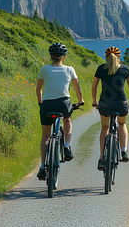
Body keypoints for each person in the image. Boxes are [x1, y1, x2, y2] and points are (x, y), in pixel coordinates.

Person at [36, 42, 84, 179]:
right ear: (64, 57)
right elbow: (77, 88)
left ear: (51, 56)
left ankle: (42, 166)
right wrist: (80, 101)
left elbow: (38, 89)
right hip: (63, 103)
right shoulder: (69, 69)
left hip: (47, 105)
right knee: (67, 119)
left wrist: (41, 102)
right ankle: (67, 146)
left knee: (45, 137)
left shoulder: (44, 69)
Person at [92, 46, 129, 171]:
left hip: (105, 104)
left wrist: (95, 101)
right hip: (121, 104)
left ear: (106, 57)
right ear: (119, 57)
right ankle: (124, 151)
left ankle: (102, 158)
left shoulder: (101, 69)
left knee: (105, 127)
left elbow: (94, 87)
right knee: (122, 124)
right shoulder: (125, 69)